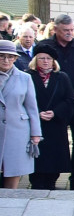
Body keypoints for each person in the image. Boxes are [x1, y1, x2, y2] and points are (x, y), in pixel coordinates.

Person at [42, 14, 74, 190]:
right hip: (55, 103)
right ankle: (50, 178)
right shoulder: (45, 46)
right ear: (55, 29)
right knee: (55, 141)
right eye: (66, 31)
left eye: (72, 30)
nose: (70, 33)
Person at [26, 44, 74, 190]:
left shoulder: (61, 77)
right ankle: (36, 181)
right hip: (36, 123)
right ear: (35, 60)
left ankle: (52, 181)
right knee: (38, 155)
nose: (45, 61)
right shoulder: (28, 76)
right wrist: (38, 113)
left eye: (48, 58)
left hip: (55, 123)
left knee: (55, 154)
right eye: (41, 58)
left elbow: (69, 99)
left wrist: (56, 112)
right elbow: (24, 99)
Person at [0, 41, 42, 188]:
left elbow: (32, 107)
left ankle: (12, 203)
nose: (6, 60)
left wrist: (35, 133)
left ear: (15, 59)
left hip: (17, 130)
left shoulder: (24, 78)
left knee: (13, 170)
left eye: (10, 57)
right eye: (2, 57)